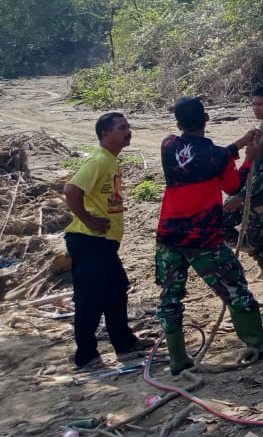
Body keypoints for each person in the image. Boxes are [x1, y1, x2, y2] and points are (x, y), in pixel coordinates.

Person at [155, 97, 263, 375]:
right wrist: (249, 159)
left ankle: (177, 358)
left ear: (178, 124)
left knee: (170, 296)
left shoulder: (168, 145)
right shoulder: (216, 157)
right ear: (206, 119)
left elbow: (203, 158)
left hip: (169, 234)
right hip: (202, 237)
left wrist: (239, 144)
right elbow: (233, 185)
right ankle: (258, 342)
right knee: (235, 287)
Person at [62, 112, 153, 370]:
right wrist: (88, 220)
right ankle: (86, 355)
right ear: (105, 134)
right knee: (90, 298)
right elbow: (71, 190)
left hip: (102, 242)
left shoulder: (110, 159)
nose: (128, 131)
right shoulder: (99, 160)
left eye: (128, 126)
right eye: (122, 128)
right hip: (89, 240)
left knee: (116, 289)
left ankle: (123, 341)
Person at [223, 86, 263, 307]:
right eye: (253, 104)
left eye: (260, 104)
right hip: (249, 192)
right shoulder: (262, 129)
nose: (256, 108)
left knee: (258, 243)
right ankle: (261, 246)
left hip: (261, 195)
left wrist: (241, 196)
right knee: (220, 221)